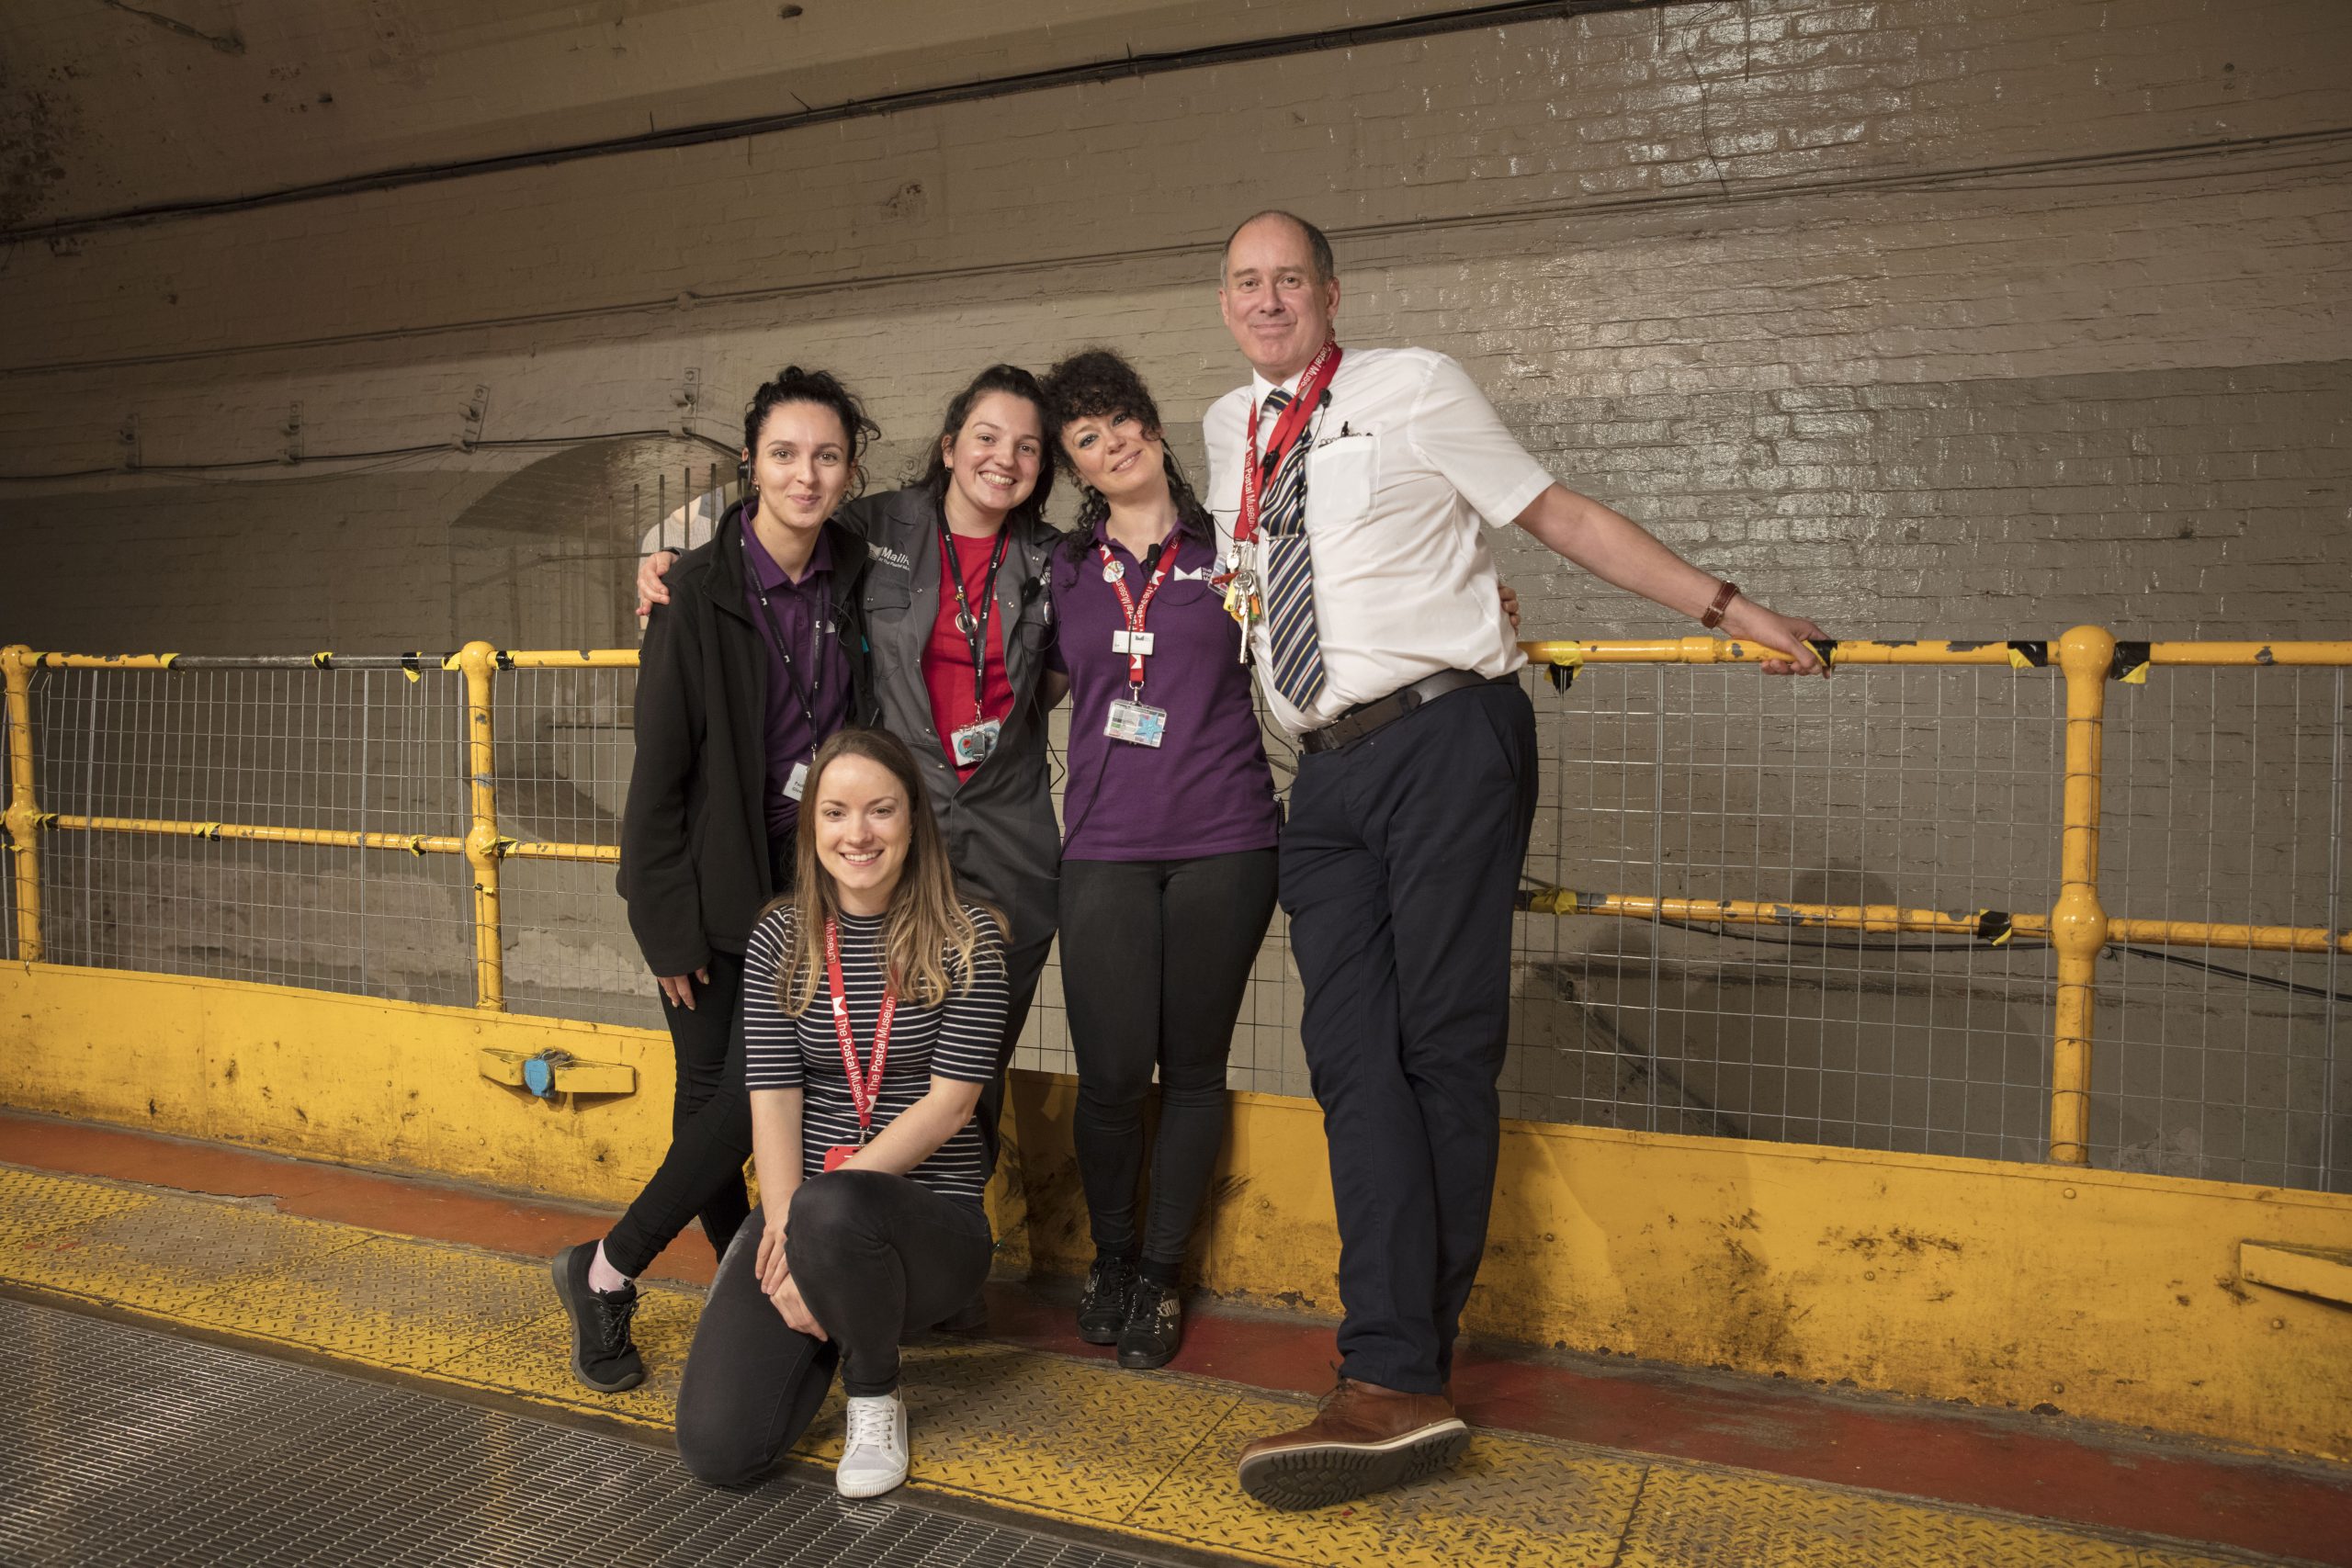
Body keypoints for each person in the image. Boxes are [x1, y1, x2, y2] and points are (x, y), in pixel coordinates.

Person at [1206, 211, 1830, 1510]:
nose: (1268, 301)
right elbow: (1253, 582)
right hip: (1320, 773)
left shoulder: (1412, 384)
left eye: (1289, 279)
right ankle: (1399, 1369)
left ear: (1331, 290)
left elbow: (1559, 516)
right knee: (1347, 1054)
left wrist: (1732, 608)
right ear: (1228, 302)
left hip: (1445, 735)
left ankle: (1389, 1368)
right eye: (1245, 282)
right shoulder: (1229, 430)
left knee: (1439, 1044)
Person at [640, 368, 1064, 1164]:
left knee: (968, 1076)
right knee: (836, 1064)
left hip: (1008, 851)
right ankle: (811, 1241)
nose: (1003, 458)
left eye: (1027, 447)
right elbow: (767, 528)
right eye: (985, 436)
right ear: (947, 445)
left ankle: (936, 1243)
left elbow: (1064, 673)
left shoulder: (1054, 562)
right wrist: (666, 560)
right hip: (882, 847)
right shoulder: (877, 529)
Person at [554, 367, 879, 1393]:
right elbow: (658, 778)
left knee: (737, 1105)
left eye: (825, 455)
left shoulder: (859, 574)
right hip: (711, 902)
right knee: (724, 1105)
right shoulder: (694, 591)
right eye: (784, 454)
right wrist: (664, 928)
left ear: (849, 470)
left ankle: (627, 1274)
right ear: (752, 464)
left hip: (814, 896)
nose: (805, 474)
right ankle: (639, 1276)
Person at [673, 727, 1007, 1499]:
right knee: (718, 1448)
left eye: (880, 811)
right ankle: (833, 1301)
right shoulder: (778, 939)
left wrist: (819, 1220)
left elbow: (951, 1107)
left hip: (931, 1229)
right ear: (812, 825)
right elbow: (775, 1099)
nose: (857, 833)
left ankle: (874, 1389)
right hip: (806, 1214)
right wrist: (790, 1232)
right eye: (836, 812)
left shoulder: (970, 940)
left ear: (914, 821)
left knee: (836, 1207)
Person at [1037, 348, 1282, 1370]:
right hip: (1103, 846)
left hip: (1226, 839)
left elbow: (1336, 610)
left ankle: (1161, 1275)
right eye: (1087, 438)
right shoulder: (1058, 569)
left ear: (1150, 423)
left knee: (1190, 1072)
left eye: (1121, 419)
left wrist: (1475, 605)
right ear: (1075, 469)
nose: (1112, 442)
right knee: (1106, 1079)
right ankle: (1113, 1254)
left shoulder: (1232, 542)